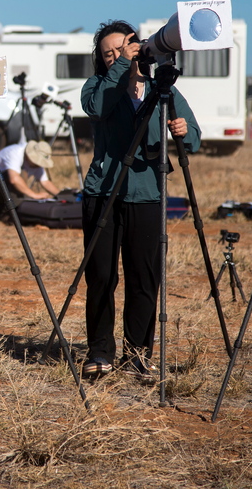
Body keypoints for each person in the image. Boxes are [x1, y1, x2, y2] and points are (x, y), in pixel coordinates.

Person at [79, 19, 201, 379]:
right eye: (109, 53)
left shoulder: (160, 90)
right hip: (103, 192)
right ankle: (100, 351)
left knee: (144, 279)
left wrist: (183, 131)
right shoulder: (99, 86)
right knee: (101, 276)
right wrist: (120, 67)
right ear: (101, 61)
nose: (118, 54)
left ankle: (138, 355)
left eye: (123, 47)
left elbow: (192, 138)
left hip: (147, 194)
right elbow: (96, 107)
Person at [0, 139, 60, 220]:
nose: (38, 165)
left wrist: (62, 196)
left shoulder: (35, 163)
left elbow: (45, 182)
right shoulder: (15, 153)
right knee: (20, 177)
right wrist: (34, 195)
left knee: (21, 182)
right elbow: (14, 179)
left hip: (2, 184)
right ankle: (8, 214)